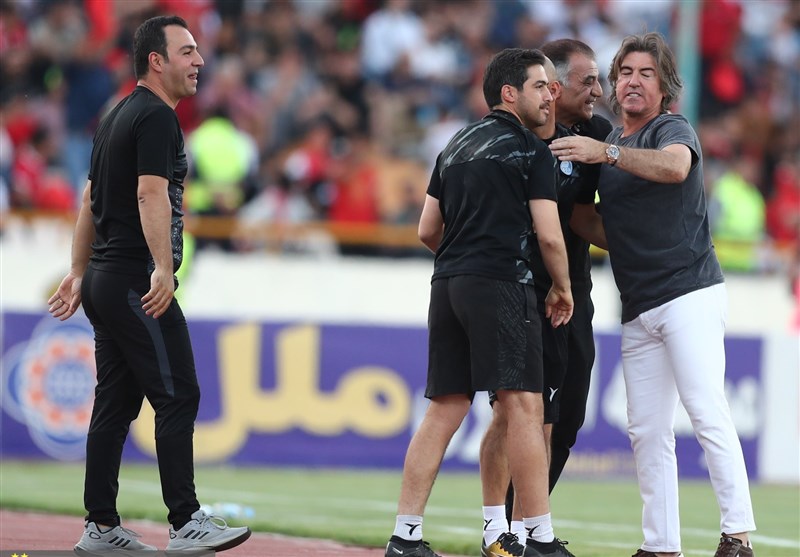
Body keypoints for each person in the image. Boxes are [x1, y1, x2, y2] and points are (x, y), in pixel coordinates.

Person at [47, 15, 251, 554]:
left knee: (115, 406)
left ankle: (100, 526)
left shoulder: (115, 114)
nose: (199, 61)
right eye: (187, 51)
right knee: (178, 392)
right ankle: (186, 522)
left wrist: (78, 270)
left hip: (104, 277)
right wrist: (163, 267)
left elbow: (89, 199)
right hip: (136, 280)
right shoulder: (158, 117)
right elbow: (149, 194)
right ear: (155, 61)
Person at [549, 32, 757, 557]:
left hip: (689, 293)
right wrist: (544, 199)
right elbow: (595, 224)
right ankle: (661, 545)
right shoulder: (614, 140)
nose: (633, 81)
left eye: (646, 73)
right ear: (614, 84)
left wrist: (607, 153)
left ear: (666, 87)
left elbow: (675, 166)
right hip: (638, 303)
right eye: (625, 73)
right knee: (646, 429)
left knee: (706, 411)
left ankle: (738, 536)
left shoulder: (670, 128)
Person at [383, 48, 574, 557]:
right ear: (509, 93)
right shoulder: (530, 150)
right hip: (502, 283)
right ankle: (540, 539)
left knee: (444, 409)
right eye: (540, 86)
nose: (550, 95)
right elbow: (550, 236)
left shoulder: (455, 145)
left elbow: (427, 229)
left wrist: (462, 257)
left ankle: (405, 536)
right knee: (525, 407)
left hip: (448, 283)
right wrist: (562, 287)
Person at [479, 46, 612, 548]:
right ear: (554, 87)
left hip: (571, 291)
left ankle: (524, 527)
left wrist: (645, 240)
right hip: (517, 288)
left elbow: (583, 215)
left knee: (567, 415)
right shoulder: (518, 135)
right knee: (514, 413)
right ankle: (506, 532)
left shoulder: (600, 135)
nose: (597, 91)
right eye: (587, 81)